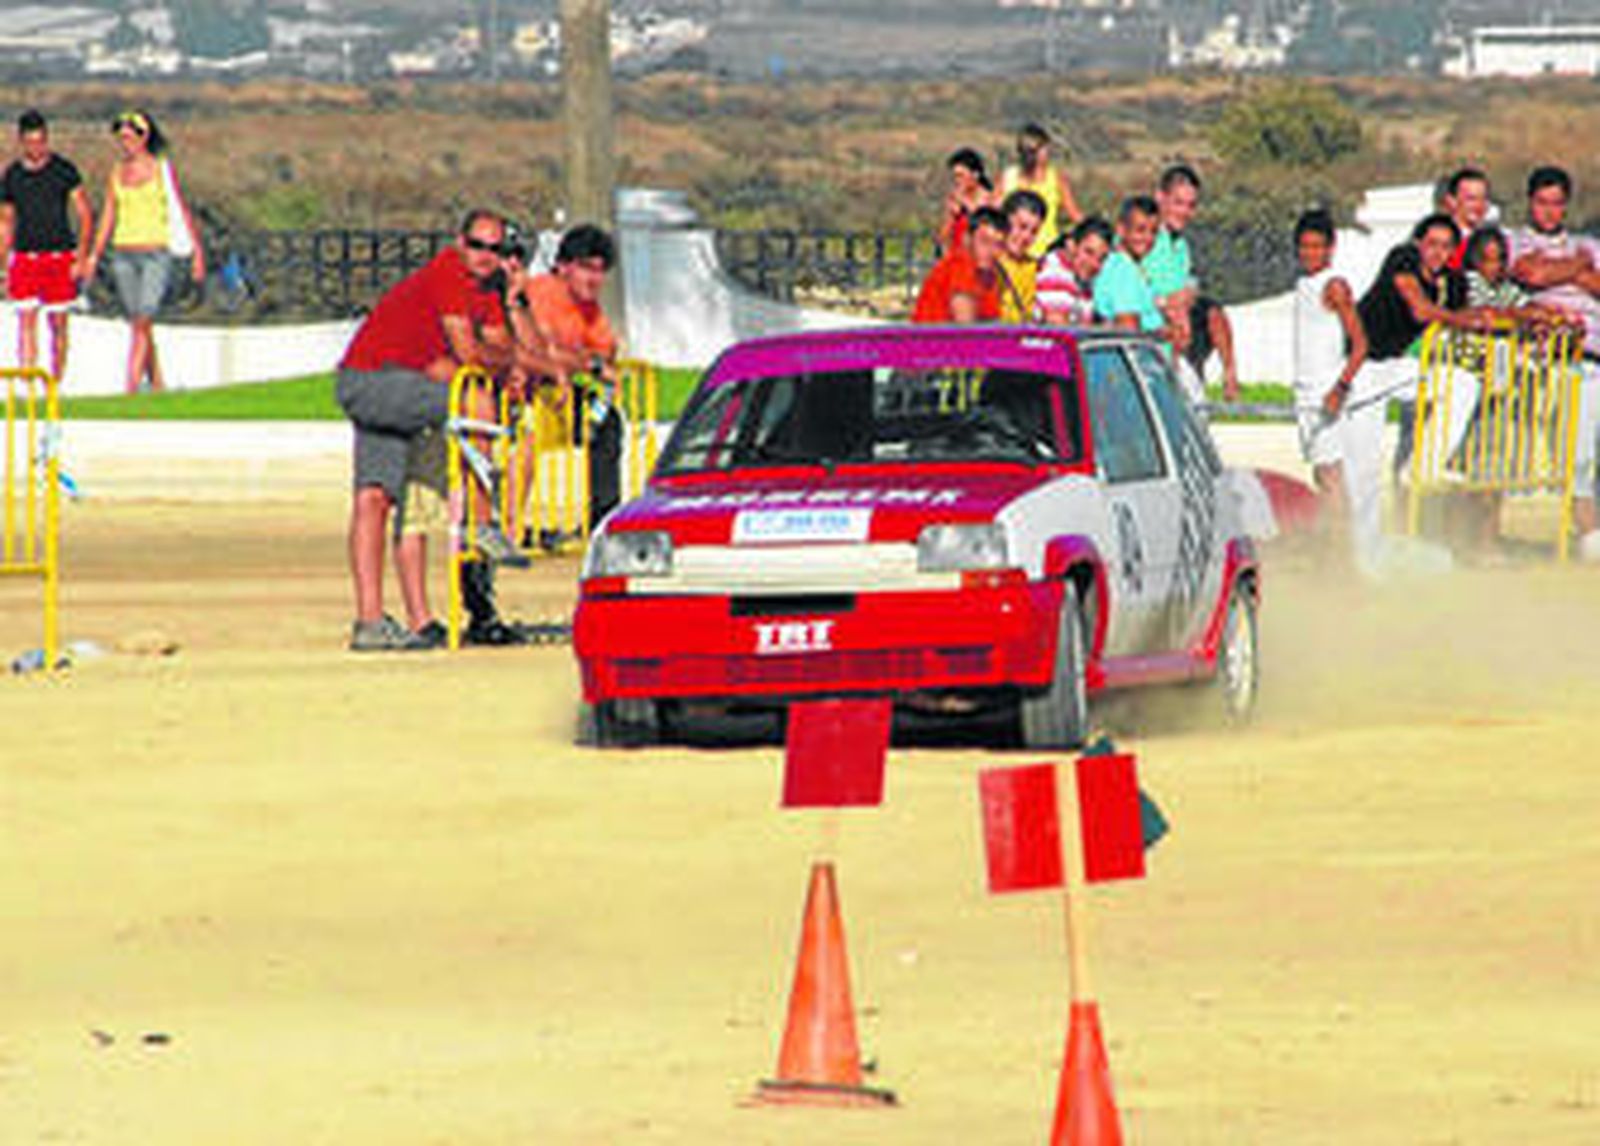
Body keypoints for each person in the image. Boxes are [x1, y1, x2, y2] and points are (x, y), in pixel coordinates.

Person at [336, 208, 521, 651]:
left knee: (376, 497)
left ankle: (374, 621)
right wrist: (501, 363)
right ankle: (482, 520)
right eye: (477, 245)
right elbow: (474, 354)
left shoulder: (489, 289)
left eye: (495, 248)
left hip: (400, 385)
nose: (485, 255)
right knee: (475, 400)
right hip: (373, 377)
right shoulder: (448, 273)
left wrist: (513, 312)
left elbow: (506, 348)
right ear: (460, 243)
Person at [1347, 213, 1493, 574]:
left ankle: (1423, 466)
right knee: (1364, 471)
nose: (1438, 253)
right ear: (1418, 244)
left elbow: (1482, 313)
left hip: (1396, 368)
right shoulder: (1403, 259)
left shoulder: (1452, 283)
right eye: (1432, 244)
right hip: (1362, 368)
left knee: (1462, 382)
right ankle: (1360, 558)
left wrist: (1531, 317)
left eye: (1446, 247)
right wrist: (1464, 321)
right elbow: (1420, 308)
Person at [1508, 165, 1600, 557]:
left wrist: (1558, 272)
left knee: (1591, 447)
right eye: (1542, 202)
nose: (1549, 211)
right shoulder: (1515, 240)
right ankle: (1588, 530)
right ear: (1530, 202)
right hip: (1556, 356)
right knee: (1577, 450)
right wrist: (1578, 268)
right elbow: (1530, 274)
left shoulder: (1588, 244)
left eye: (1557, 203)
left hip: (1594, 350)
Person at [83, 109, 204, 394]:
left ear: (143, 138)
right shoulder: (116, 172)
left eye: (129, 138)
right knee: (140, 323)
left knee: (142, 319)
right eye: (121, 139)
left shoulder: (161, 169)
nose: (125, 144)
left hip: (155, 253)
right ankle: (157, 383)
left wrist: (196, 252)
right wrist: (94, 255)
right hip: (124, 253)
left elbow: (179, 210)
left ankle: (131, 387)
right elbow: (108, 216)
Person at [516, 224, 626, 531]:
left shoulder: (588, 307)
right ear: (563, 267)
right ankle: (506, 525)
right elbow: (538, 350)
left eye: (601, 270)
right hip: (519, 391)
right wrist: (586, 362)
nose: (595, 278)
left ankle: (601, 523)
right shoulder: (541, 292)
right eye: (586, 268)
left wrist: (587, 361)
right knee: (526, 437)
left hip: (554, 395)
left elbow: (607, 350)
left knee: (608, 423)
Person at [1291, 209, 1367, 556]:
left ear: (1330, 248)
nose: (1310, 253)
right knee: (1322, 475)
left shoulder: (1334, 285)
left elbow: (1360, 345)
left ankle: (1342, 556)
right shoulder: (1302, 284)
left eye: (1317, 246)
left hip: (1326, 395)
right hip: (1305, 394)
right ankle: (1336, 551)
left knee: (1332, 476)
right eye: (1304, 246)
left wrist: (1339, 389)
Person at [0, 110, 92, 382]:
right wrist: (4, 264)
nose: (36, 148)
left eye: (40, 142)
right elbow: (6, 221)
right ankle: (28, 379)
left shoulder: (63, 170)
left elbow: (84, 213)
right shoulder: (12, 176)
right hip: (26, 256)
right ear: (21, 142)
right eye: (30, 142)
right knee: (26, 321)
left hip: (59, 256)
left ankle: (56, 381)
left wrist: (82, 256)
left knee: (58, 324)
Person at [1146, 164, 1240, 401]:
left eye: (1191, 205)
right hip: (1147, 352)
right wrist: (1164, 303)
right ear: (1160, 197)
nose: (1185, 212)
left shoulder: (1181, 247)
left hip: (1175, 353)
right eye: (1178, 203)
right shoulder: (1143, 239)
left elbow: (1189, 298)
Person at [1000, 123, 1084, 260]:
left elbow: (1074, 214)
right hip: (1012, 253)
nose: (1048, 153)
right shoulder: (1008, 177)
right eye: (1045, 148)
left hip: (1046, 253)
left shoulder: (1056, 179)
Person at [911, 205, 1006, 323]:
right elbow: (965, 327)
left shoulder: (989, 273)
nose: (991, 251)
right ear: (968, 239)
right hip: (934, 334)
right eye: (984, 241)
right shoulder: (960, 266)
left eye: (998, 245)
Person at [1035, 215, 1114, 327]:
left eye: (1101, 259)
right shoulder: (1053, 272)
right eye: (1088, 252)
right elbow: (1058, 326)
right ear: (1071, 245)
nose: (1094, 264)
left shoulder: (1081, 277)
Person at [996, 189, 1045, 323]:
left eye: (1034, 231)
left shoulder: (1036, 268)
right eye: (1022, 227)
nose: (1026, 236)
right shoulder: (988, 264)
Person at [937, 148, 997, 251]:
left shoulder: (990, 200)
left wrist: (966, 204)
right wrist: (951, 217)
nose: (957, 181)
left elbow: (989, 231)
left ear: (975, 175)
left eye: (960, 175)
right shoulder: (954, 199)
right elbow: (942, 239)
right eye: (955, 177)